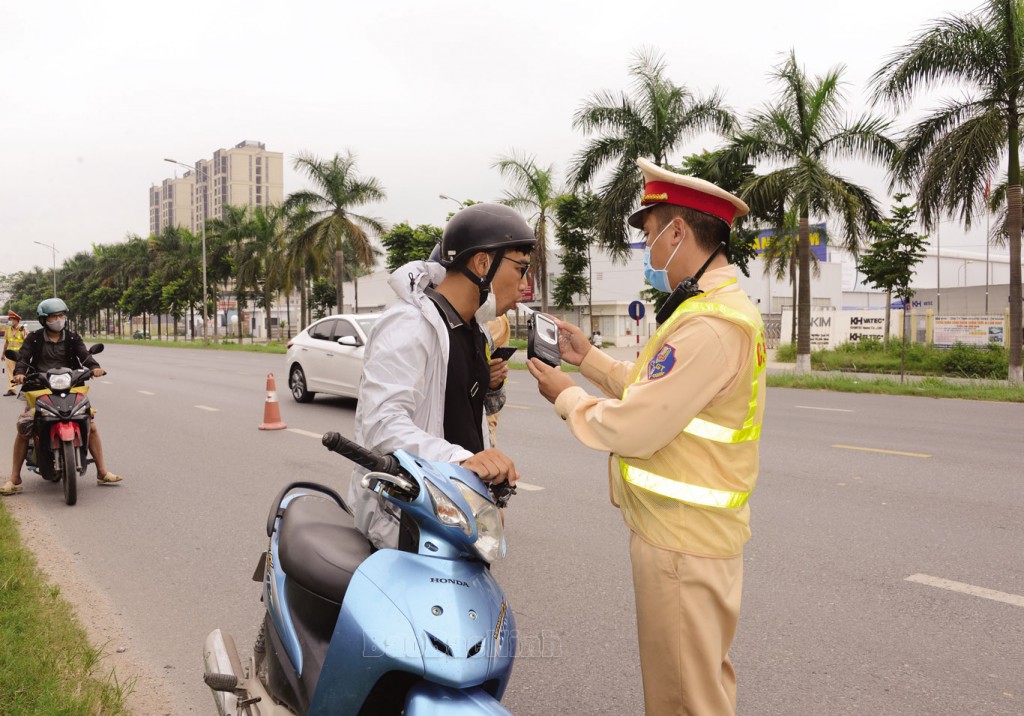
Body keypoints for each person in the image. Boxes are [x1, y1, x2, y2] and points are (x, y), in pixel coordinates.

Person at [526, 158, 767, 716]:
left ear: (679, 232)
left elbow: (637, 424)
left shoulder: (709, 325)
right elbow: (657, 390)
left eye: (651, 234)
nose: (650, 250)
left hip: (682, 544)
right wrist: (588, 359)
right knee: (698, 685)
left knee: (683, 700)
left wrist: (567, 397)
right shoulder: (711, 312)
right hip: (693, 537)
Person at [349, 203, 536, 548]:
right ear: (482, 263)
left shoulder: (473, 328)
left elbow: (465, 411)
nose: (525, 285)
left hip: (455, 512)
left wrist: (484, 494)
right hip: (407, 522)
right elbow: (381, 423)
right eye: (521, 269)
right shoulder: (410, 325)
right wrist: (461, 459)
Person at [1, 298, 123, 496]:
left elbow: (85, 356)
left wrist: (94, 368)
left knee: (90, 424)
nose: (58, 320)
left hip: (71, 384)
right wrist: (20, 373)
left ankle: (102, 471)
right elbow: (23, 359)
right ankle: (14, 478)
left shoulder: (73, 338)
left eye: (61, 316)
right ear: (43, 319)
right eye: (53, 316)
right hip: (40, 387)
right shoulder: (33, 338)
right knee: (25, 426)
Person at [3, 311, 27, 396]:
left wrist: (23, 332)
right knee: (10, 372)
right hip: (10, 355)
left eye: (12, 319)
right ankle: (12, 390)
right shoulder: (8, 329)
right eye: (10, 319)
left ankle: (25, 390)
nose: (10, 321)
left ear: (17, 320)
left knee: (23, 372)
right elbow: (6, 342)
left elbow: (27, 341)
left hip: (20, 355)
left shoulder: (23, 329)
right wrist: (3, 354)